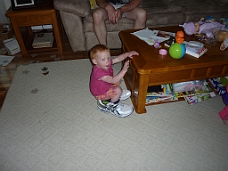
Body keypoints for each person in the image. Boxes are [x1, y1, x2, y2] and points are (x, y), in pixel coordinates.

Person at [89, 44, 139, 117]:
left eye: (108, 58)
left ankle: (113, 96)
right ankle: (113, 105)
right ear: (95, 61)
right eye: (103, 59)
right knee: (118, 90)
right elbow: (113, 80)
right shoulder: (99, 72)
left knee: (119, 79)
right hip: (100, 92)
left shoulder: (105, 63)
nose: (107, 61)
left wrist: (128, 54)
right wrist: (124, 70)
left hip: (104, 85)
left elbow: (118, 59)